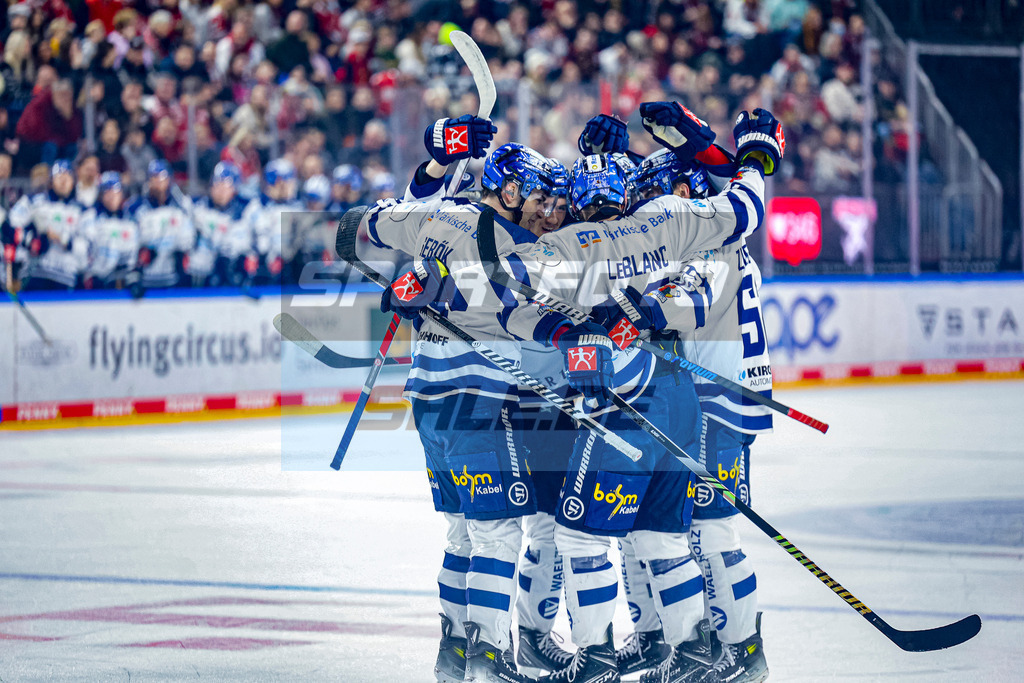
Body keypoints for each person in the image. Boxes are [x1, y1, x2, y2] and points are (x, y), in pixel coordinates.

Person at [352, 117, 578, 683]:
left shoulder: (444, 212)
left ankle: (455, 653)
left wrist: (435, 161)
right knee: (498, 532)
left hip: (427, 395)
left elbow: (372, 223)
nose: (542, 205)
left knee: (462, 533)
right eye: (535, 194)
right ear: (506, 189)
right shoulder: (511, 242)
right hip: (474, 397)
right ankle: (490, 654)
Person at [6, 159, 86, 291]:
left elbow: (87, 250)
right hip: (35, 273)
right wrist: (31, 240)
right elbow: (9, 227)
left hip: (65, 276)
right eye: (59, 176)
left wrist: (64, 239)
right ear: (51, 180)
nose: (63, 181)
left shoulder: (83, 210)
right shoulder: (33, 201)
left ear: (74, 182)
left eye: (68, 176)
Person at [127, 159, 194, 293]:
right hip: (145, 280)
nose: (158, 182)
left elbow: (188, 242)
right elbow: (130, 243)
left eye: (162, 177)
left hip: (174, 279)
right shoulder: (135, 207)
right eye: (154, 177)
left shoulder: (183, 206)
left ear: (169, 179)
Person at [241, 158, 303, 285]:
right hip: (260, 273)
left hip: (291, 273)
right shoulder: (255, 208)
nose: (291, 186)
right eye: (288, 181)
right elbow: (244, 240)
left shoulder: (299, 208)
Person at [190, 161, 250, 287]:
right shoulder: (196, 210)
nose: (221, 190)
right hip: (197, 277)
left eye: (226, 185)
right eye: (217, 184)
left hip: (229, 278)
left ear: (234, 189)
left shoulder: (243, 215)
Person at [80, 171, 138, 290]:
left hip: (124, 283)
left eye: (115, 191)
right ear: (100, 194)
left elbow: (133, 256)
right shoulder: (89, 218)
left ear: (122, 193)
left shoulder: (130, 222)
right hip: (96, 282)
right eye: (107, 191)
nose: (112, 196)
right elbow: (84, 252)